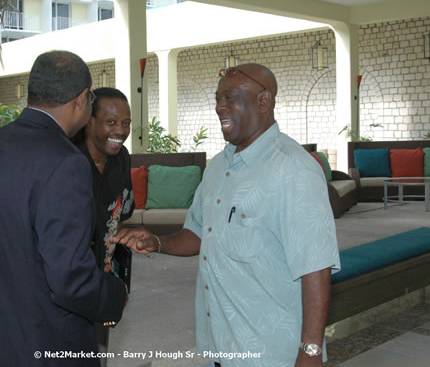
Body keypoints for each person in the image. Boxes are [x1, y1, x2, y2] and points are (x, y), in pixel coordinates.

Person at [111, 63, 340, 367]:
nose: (220, 107)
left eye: (230, 98)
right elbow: (197, 234)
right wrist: (156, 241)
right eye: (218, 99)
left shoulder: (294, 169)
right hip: (222, 347)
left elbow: (316, 268)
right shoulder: (219, 167)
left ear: (263, 101)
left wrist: (310, 353)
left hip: (272, 353)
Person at [0, 50, 128, 367]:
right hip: (48, 344)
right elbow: (70, 279)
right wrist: (114, 294)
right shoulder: (67, 162)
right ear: (82, 100)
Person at [72, 87, 135, 366]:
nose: (120, 130)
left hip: (105, 274)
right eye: (111, 122)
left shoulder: (121, 159)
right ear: (89, 120)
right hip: (69, 278)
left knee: (98, 352)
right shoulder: (66, 159)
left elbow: (123, 210)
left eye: (126, 123)